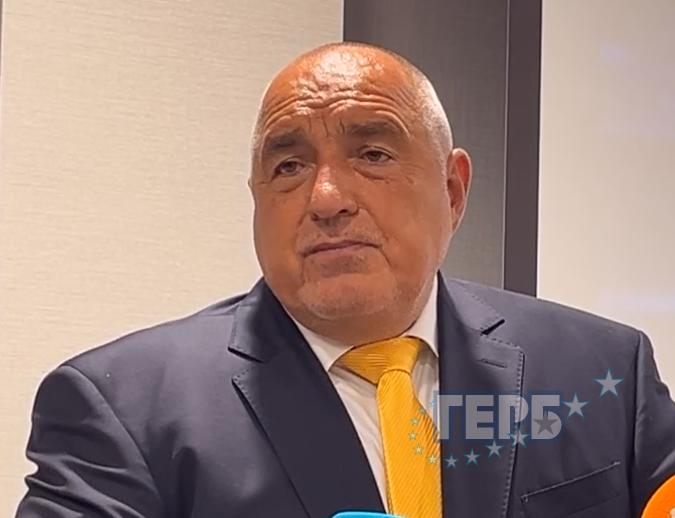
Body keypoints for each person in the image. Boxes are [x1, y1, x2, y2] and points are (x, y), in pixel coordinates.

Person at [17, 42, 675, 518]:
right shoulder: (123, 412)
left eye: (372, 154)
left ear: (452, 191)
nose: (327, 198)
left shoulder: (602, 372)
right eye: (288, 166)